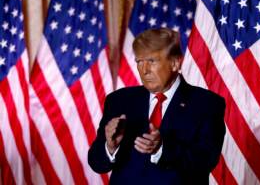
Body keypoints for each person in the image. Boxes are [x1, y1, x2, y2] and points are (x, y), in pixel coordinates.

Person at [88, 28, 226, 185]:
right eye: (139, 61)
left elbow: (205, 161)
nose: (144, 70)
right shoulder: (119, 100)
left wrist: (162, 149)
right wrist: (110, 147)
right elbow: (96, 163)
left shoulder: (206, 104)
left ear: (174, 63)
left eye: (151, 61)